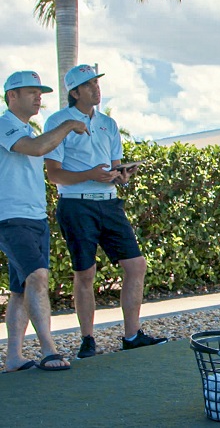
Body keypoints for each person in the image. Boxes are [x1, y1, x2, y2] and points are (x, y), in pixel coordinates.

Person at [43, 65, 167, 359]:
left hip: (109, 203)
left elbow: (112, 167)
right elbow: (54, 175)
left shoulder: (108, 124)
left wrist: (121, 175)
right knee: (85, 273)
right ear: (75, 93)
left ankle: (132, 335)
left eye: (97, 83)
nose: (96, 89)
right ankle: (88, 340)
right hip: (76, 205)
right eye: (89, 85)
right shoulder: (58, 122)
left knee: (136, 266)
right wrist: (91, 175)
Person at [1, 71, 90, 372]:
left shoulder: (27, 129)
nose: (39, 97)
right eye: (31, 92)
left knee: (20, 288)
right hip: (10, 218)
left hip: (34, 218)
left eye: (40, 92)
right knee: (38, 277)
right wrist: (68, 124)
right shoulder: (4, 125)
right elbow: (37, 148)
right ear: (11, 96)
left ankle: (13, 357)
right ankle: (49, 350)